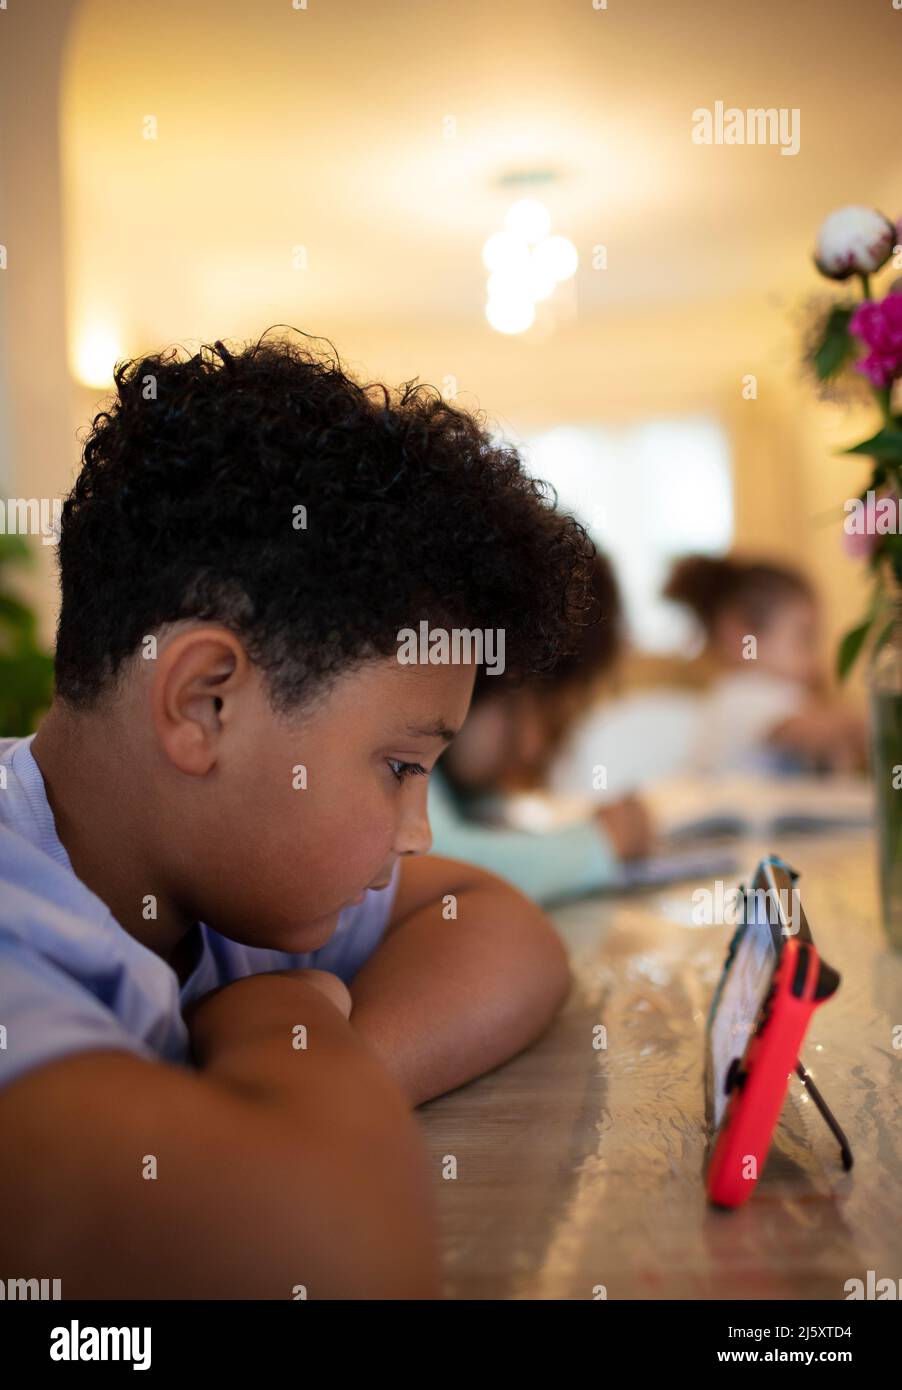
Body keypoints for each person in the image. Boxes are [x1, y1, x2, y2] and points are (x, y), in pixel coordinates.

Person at [0, 331, 596, 1298]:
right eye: (400, 767)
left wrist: (320, 1092)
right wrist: (286, 1033)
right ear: (206, 703)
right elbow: (333, 1256)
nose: (419, 832)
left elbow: (499, 928)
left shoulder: (221, 876)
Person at [429, 552, 654, 903]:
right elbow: (437, 863)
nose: (531, 749)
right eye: (543, 715)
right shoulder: (408, 755)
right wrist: (600, 842)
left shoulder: (460, 784)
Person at [663, 554, 868, 775]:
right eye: (804, 638)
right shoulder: (741, 694)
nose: (815, 659)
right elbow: (806, 731)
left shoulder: (791, 698)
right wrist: (870, 721)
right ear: (743, 636)